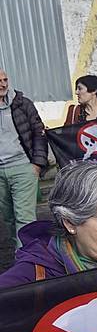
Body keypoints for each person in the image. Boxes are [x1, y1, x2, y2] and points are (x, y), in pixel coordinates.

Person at [0, 69, 46, 249]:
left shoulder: (22, 104)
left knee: (25, 218)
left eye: (5, 79)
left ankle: (28, 262)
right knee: (8, 218)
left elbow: (39, 133)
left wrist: (37, 164)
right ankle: (25, 255)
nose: (3, 84)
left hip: (23, 168)